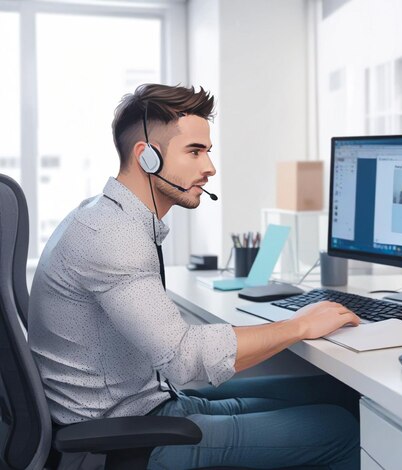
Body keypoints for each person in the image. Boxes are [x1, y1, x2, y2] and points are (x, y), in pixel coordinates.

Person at [28, 84, 361, 469]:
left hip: (149, 404)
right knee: (340, 429)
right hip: (127, 437)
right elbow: (184, 360)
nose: (210, 168)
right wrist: (299, 326)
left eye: (208, 151)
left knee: (333, 392)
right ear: (147, 157)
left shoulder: (104, 215)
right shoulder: (112, 236)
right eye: (195, 151)